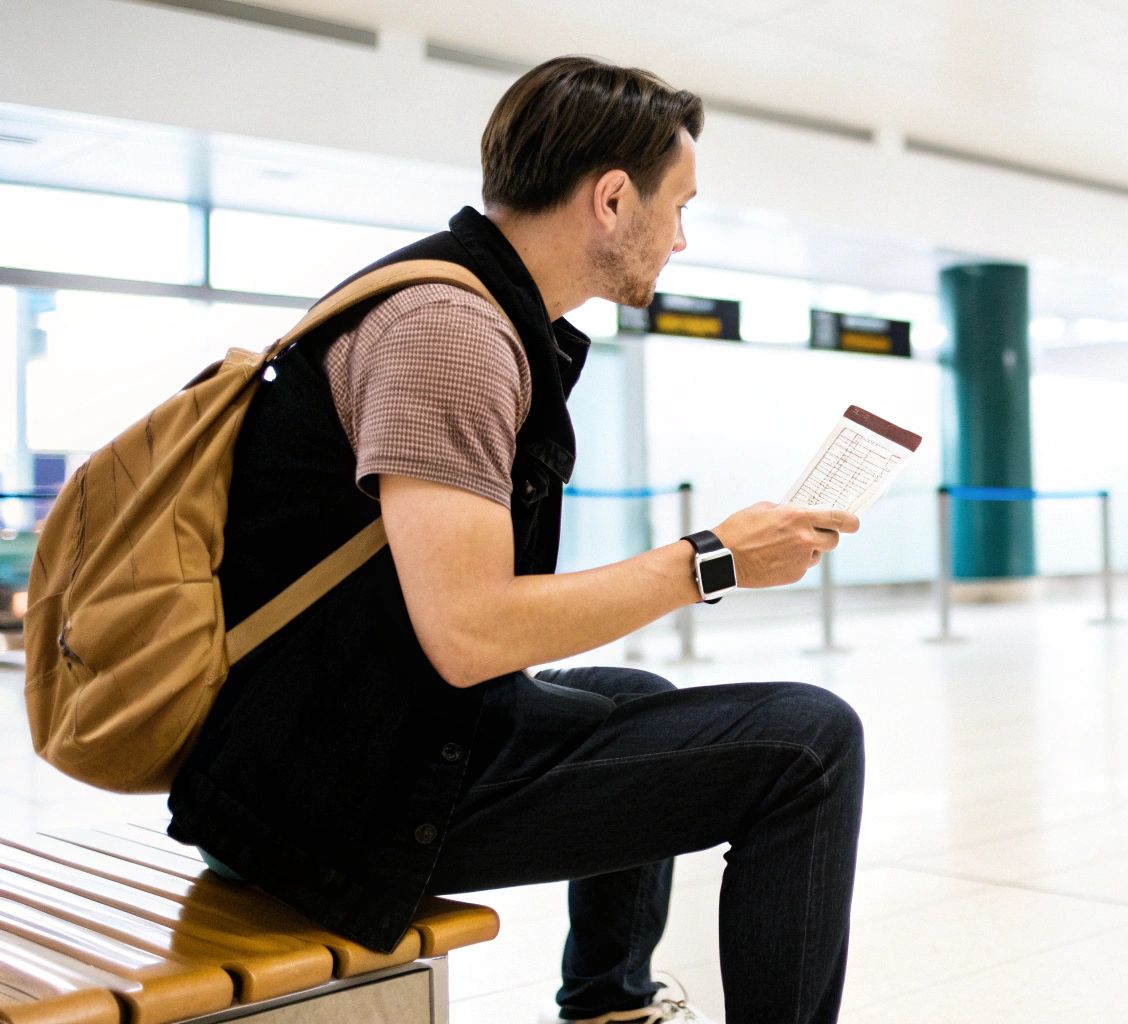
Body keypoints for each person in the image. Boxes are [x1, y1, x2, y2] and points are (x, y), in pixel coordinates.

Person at [168, 57, 865, 1024]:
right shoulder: (450, 334)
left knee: (638, 699)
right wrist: (714, 561)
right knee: (810, 742)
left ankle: (609, 1004)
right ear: (613, 199)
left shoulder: (463, 304)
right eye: (679, 206)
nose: (683, 238)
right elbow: (470, 633)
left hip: (318, 749)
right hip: (329, 806)